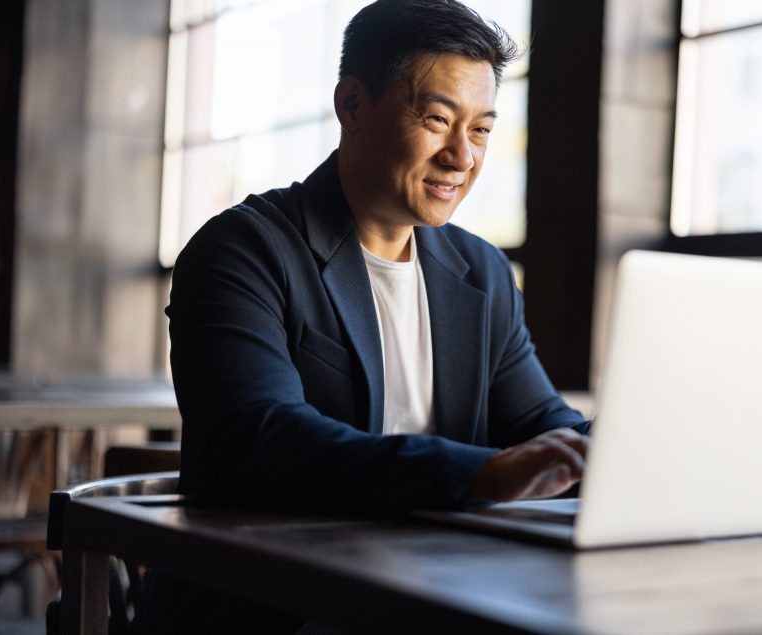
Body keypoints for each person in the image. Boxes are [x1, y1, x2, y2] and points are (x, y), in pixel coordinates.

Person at [142, 1, 589, 632]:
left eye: (482, 129)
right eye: (437, 119)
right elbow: (258, 440)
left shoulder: (481, 273)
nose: (462, 157)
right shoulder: (244, 249)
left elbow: (542, 423)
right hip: (272, 606)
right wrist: (480, 474)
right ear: (352, 105)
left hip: (438, 591)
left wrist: (609, 458)